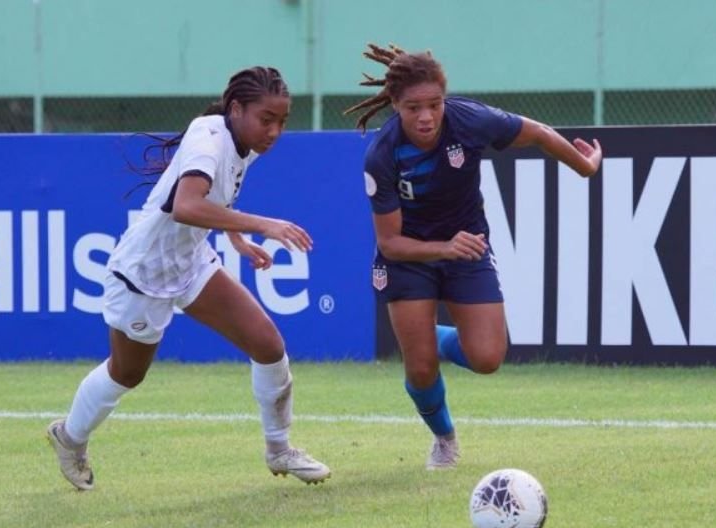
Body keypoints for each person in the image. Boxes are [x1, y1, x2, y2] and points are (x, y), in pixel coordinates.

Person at [46, 66, 331, 490]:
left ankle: (279, 448)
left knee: (268, 344)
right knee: (128, 373)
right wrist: (262, 225)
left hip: (192, 261)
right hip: (143, 272)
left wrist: (235, 238)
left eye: (282, 121)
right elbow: (186, 206)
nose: (274, 131)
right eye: (266, 119)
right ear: (236, 110)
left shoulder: (244, 143)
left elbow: (218, 196)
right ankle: (68, 436)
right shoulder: (208, 138)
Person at [344, 44, 602, 470]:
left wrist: (584, 167)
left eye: (434, 105)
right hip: (408, 258)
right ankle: (444, 438)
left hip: (468, 247)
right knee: (421, 370)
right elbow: (389, 243)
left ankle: (431, 336)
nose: (426, 116)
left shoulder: (469, 121)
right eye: (413, 108)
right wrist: (443, 247)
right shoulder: (382, 156)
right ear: (395, 105)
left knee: (487, 358)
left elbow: (536, 131)